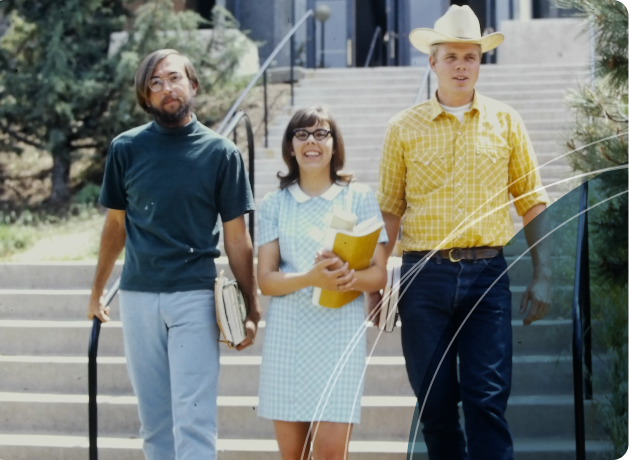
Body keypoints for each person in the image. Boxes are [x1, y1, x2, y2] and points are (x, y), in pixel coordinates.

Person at [373, 5, 552, 460]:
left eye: (469, 57)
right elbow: (389, 212)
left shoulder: (506, 122)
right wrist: (375, 282)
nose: (460, 66)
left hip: (487, 277)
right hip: (422, 278)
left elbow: (531, 200)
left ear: (480, 62)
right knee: (434, 405)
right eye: (450, 57)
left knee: (487, 400)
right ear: (432, 62)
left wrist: (543, 273)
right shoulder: (402, 128)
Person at [86, 49, 261, 460]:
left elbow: (238, 239)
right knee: (155, 425)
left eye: (174, 78)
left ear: (193, 85)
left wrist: (252, 309)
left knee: (194, 422)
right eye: (155, 84)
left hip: (194, 297)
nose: (167, 89)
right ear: (146, 97)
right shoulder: (125, 148)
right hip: (138, 296)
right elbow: (115, 227)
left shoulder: (221, 153)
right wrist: (96, 293)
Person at [256, 106, 388, 460]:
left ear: (334, 145)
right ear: (290, 147)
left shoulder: (359, 197)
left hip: (338, 338)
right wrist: (310, 278)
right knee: (293, 457)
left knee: (331, 455)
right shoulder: (274, 204)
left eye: (321, 133)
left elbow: (379, 273)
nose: (311, 142)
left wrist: (350, 278)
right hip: (289, 340)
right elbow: (266, 281)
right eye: (302, 134)